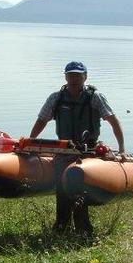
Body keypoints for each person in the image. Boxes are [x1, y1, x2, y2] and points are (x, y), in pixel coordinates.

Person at [29, 61, 125, 235]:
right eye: (70, 75)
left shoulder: (95, 97)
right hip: (64, 150)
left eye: (78, 75)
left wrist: (121, 148)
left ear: (85, 77)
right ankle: (61, 226)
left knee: (80, 186)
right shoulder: (56, 98)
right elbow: (41, 120)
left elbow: (113, 121)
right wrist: (31, 142)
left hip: (88, 150)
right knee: (62, 188)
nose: (74, 79)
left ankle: (83, 228)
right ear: (65, 77)